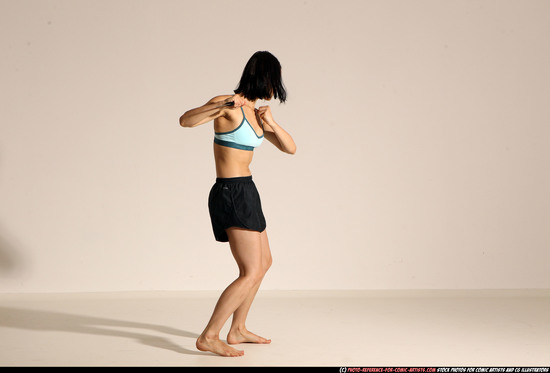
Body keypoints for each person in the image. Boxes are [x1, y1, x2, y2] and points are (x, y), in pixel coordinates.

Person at [179, 51, 296, 357]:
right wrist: (221, 105)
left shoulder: (256, 116)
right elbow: (185, 121)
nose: (275, 87)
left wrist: (270, 122)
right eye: (274, 80)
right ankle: (209, 335)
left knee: (264, 263)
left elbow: (290, 148)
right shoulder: (229, 104)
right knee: (250, 271)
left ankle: (238, 329)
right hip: (230, 191)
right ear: (264, 78)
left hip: (247, 190)